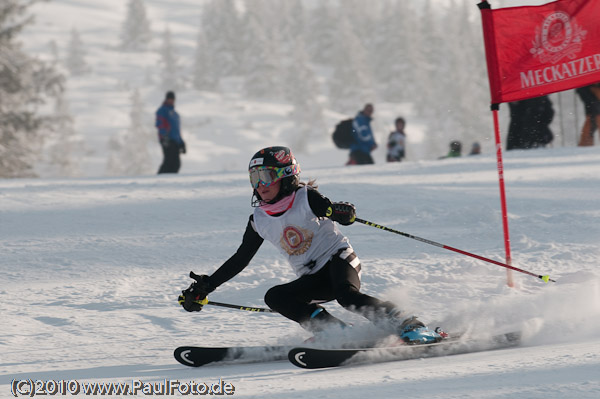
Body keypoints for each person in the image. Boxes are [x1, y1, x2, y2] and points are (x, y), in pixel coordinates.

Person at [179, 146, 442, 344]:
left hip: (339, 260)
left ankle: (410, 323)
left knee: (347, 296)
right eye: (254, 179)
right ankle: (335, 332)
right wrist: (205, 287)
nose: (260, 185)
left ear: (285, 175)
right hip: (313, 277)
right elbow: (240, 259)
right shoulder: (259, 219)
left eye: (265, 176)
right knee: (275, 296)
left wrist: (341, 212)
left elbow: (331, 209)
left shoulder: (305, 198)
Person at [156, 91, 186, 174]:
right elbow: (160, 124)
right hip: (167, 139)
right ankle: (159, 178)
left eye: (172, 99)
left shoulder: (175, 114)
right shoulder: (162, 110)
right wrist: (164, 137)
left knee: (176, 163)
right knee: (169, 161)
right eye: (169, 99)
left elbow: (177, 130)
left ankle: (170, 179)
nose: (171, 101)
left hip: (175, 141)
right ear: (166, 99)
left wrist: (181, 142)